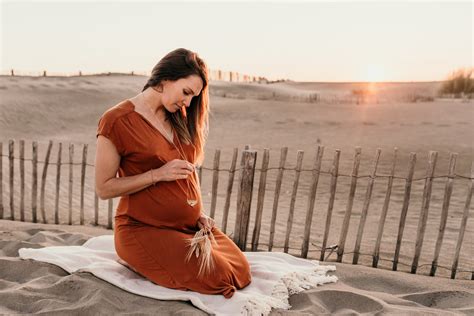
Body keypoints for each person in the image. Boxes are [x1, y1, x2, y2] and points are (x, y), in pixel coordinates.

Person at [95, 48, 251, 298]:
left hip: (188, 227)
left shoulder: (178, 117)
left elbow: (186, 171)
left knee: (240, 269)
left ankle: (163, 258)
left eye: (193, 97)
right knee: (219, 278)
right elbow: (103, 188)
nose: (188, 103)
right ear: (165, 79)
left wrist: (198, 212)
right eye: (186, 92)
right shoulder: (117, 120)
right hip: (143, 228)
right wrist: (157, 175)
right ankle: (139, 258)